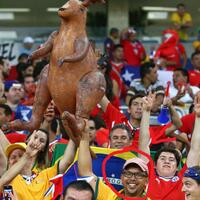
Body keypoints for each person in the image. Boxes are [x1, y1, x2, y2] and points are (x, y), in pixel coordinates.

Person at [139, 92, 200, 199]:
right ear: (154, 165)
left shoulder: (184, 178)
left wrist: (198, 118)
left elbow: (195, 149)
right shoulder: (148, 176)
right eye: (162, 158)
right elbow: (143, 145)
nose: (167, 161)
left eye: (171, 160)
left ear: (177, 167)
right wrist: (146, 111)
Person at [78, 122, 149, 199]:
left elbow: (144, 145)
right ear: (121, 178)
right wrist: (84, 136)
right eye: (128, 174)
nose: (132, 178)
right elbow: (85, 172)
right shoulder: (111, 197)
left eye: (138, 175)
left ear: (146, 181)